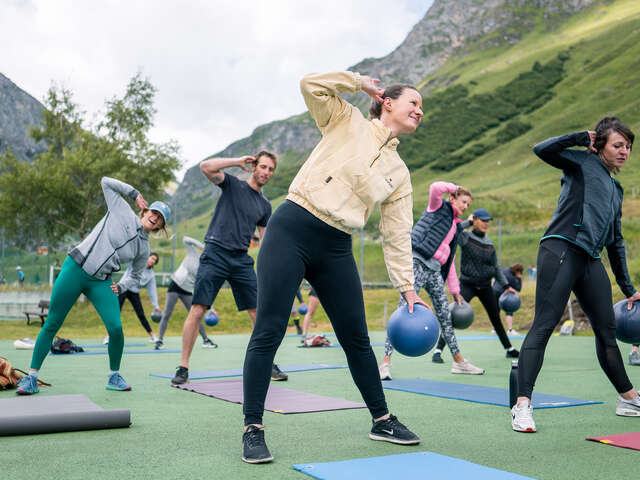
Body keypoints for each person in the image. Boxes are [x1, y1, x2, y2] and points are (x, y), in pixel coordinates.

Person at [241, 71, 427, 464]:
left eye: (422, 108)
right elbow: (310, 84)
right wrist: (358, 81)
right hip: (292, 226)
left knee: (357, 338)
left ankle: (382, 419)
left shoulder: (400, 174)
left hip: (337, 245)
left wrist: (407, 288)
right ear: (387, 102)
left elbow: (397, 234)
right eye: (414, 102)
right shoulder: (345, 119)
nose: (420, 111)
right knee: (269, 330)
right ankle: (252, 428)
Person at [511, 117, 640, 433]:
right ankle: (522, 405)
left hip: (590, 259)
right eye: (617, 145)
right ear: (600, 145)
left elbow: (616, 240)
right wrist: (580, 137)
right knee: (544, 325)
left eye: (628, 147)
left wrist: (628, 288)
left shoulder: (616, 188)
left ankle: (628, 398)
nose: (624, 152)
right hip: (561, 248)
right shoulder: (581, 161)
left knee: (606, 333)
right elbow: (542, 149)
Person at [16, 177, 169, 395]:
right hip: (75, 269)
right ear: (145, 211)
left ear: (161, 226)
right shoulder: (121, 208)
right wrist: (134, 192)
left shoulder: (144, 248)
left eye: (160, 219)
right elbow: (106, 182)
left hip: (101, 282)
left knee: (116, 328)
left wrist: (123, 286)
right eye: (154, 212)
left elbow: (135, 274)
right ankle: (31, 378)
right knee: (52, 323)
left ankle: (114, 376)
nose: (155, 218)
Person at [171, 150, 283, 384]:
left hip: (241, 260)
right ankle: (183, 367)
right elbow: (205, 166)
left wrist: (270, 270)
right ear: (254, 167)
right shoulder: (233, 184)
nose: (266, 172)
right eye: (263, 167)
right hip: (215, 252)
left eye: (270, 169)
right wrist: (236, 162)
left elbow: (265, 241)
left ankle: (267, 363)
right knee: (198, 308)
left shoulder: (265, 205)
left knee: (258, 312)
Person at [379, 182, 483, 380]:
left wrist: (454, 289)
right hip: (417, 262)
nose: (465, 206)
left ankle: (459, 362)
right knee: (403, 309)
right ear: (453, 198)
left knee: (445, 315)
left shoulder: (455, 226)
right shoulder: (438, 207)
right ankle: (385, 363)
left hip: (435, 270)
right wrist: (455, 187)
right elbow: (435, 187)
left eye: (468, 204)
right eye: (463, 201)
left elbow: (449, 260)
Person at [433, 208, 519, 362]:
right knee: (454, 316)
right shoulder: (465, 237)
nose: (486, 224)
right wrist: (468, 222)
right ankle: (438, 350)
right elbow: (453, 230)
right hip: (467, 285)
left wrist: (506, 286)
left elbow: (496, 268)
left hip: (486, 286)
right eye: (483, 220)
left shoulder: (489, 243)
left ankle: (509, 349)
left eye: (488, 221)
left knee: (496, 318)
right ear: (476, 220)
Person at [155, 236, 217, 350]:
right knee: (167, 314)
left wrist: (212, 309)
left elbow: (206, 288)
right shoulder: (193, 253)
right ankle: (159, 341)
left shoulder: (207, 267)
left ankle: (206, 340)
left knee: (196, 315)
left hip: (187, 291)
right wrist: (202, 246)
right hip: (175, 285)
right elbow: (185, 239)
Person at [106, 252, 160, 344]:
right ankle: (108, 336)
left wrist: (156, 306)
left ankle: (152, 336)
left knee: (141, 314)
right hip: (123, 288)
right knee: (116, 312)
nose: (152, 260)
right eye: (151, 258)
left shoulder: (151, 275)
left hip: (134, 292)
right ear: (147, 257)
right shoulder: (137, 263)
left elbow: (152, 290)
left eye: (154, 260)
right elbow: (128, 259)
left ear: (155, 263)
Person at [493, 263, 524, 335]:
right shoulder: (512, 278)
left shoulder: (505, 269)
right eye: (520, 273)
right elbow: (518, 289)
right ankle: (510, 330)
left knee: (496, 311)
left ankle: (495, 329)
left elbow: (497, 277)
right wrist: (519, 278)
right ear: (517, 271)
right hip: (503, 294)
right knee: (509, 311)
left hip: (494, 291)